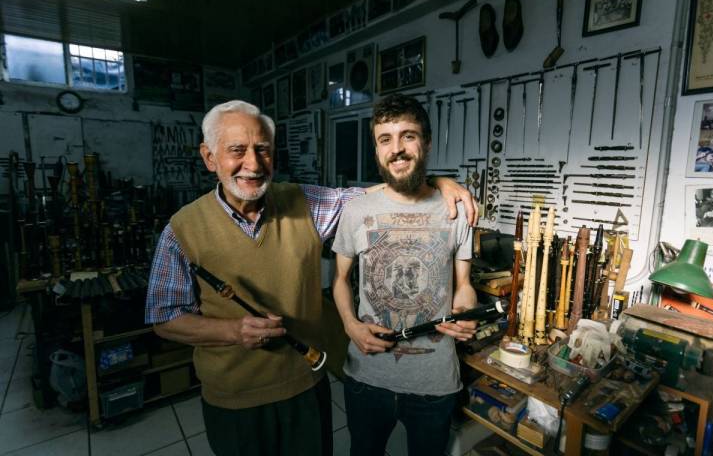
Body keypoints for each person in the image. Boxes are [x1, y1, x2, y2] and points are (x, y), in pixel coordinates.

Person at [144, 99, 477, 456]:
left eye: (263, 150)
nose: (253, 164)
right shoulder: (182, 229)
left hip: (306, 385)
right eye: (237, 151)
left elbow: (384, 192)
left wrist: (439, 181)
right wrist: (232, 331)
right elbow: (165, 318)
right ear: (209, 157)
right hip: (234, 399)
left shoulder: (305, 203)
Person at [332, 94, 478, 456]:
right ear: (376, 149)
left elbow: (464, 286)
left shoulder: (456, 209)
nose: (396, 149)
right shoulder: (355, 210)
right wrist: (350, 325)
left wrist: (466, 311)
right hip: (367, 377)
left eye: (408, 136)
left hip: (435, 381)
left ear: (426, 142)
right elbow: (338, 281)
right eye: (385, 139)